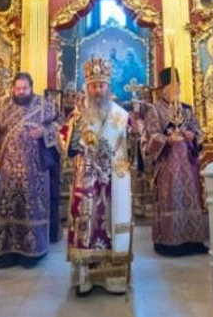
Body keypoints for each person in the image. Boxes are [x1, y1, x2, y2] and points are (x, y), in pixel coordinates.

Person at [66, 57, 132, 296]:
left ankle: (113, 279)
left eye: (101, 85)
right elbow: (70, 148)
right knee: (87, 226)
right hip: (87, 180)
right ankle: (85, 278)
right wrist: (79, 142)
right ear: (87, 88)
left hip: (115, 179)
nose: (97, 90)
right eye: (93, 85)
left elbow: (131, 149)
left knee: (111, 225)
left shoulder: (122, 116)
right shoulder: (79, 116)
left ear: (108, 87)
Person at [0, 72, 61, 268]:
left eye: (24, 88)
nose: (21, 92)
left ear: (31, 87)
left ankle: (33, 253)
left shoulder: (44, 105)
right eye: (17, 88)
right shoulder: (2, 106)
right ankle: (6, 252)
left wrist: (44, 132)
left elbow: (59, 125)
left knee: (31, 209)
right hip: (8, 170)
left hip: (35, 171)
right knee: (7, 208)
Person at [135, 67, 208, 256]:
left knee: (190, 199)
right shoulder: (154, 111)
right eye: (172, 86)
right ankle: (169, 242)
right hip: (167, 165)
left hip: (188, 164)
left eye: (178, 86)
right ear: (163, 89)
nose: (176, 90)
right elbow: (150, 137)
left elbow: (199, 132)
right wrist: (166, 140)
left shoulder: (187, 110)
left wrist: (193, 136)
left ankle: (194, 241)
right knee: (171, 200)